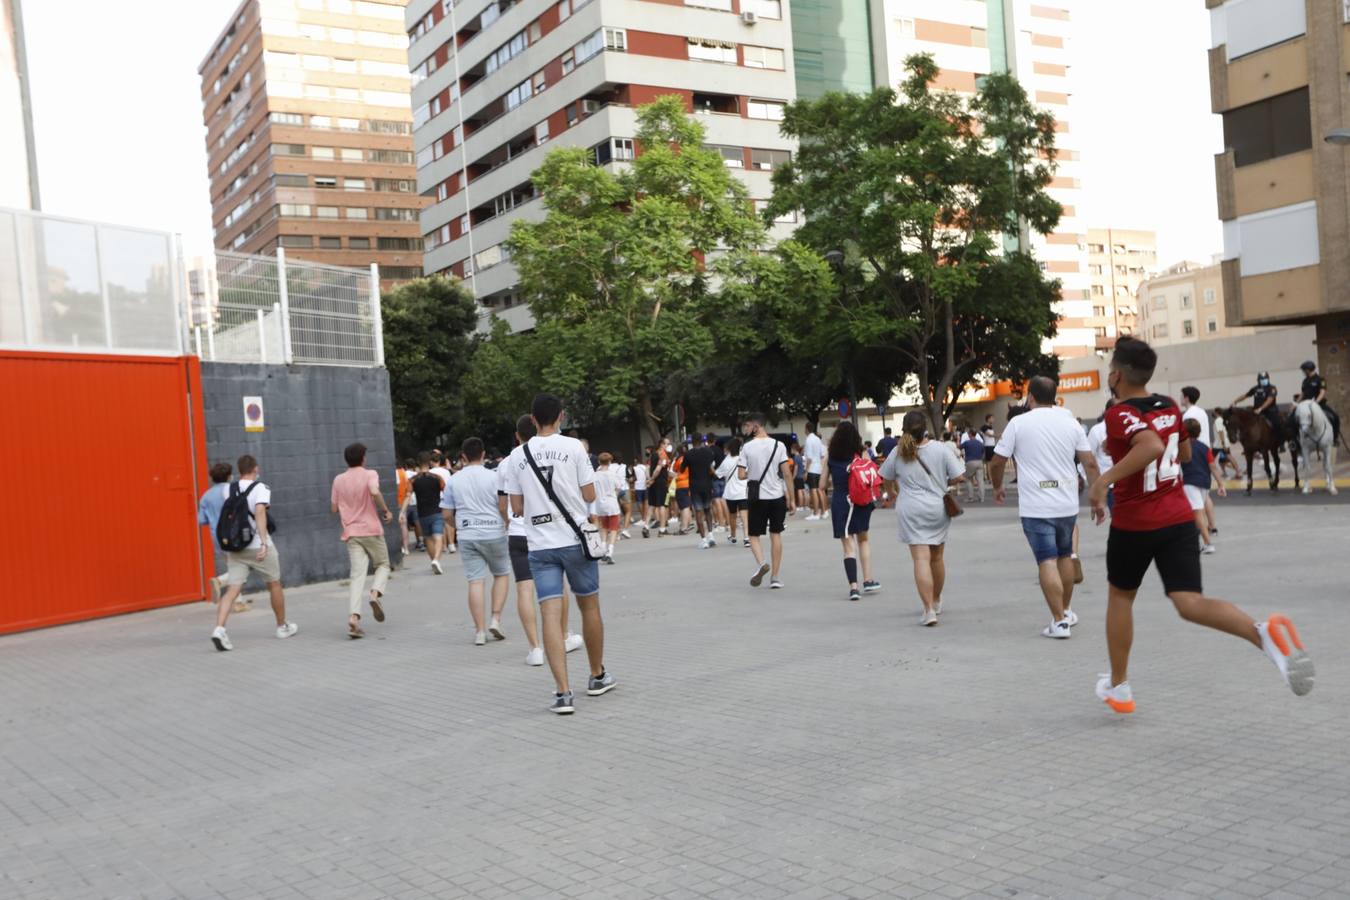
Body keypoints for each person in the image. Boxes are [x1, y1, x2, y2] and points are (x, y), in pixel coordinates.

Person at [1088, 337, 1314, 715]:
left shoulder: (1118, 413)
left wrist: (1103, 480)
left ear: (1116, 375)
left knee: (1121, 597)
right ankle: (1262, 634)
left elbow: (1152, 447)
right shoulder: (1169, 405)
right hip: (1178, 518)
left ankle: (1120, 685)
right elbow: (1184, 451)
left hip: (1135, 523)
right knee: (1190, 602)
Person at [503, 394, 615, 714]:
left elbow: (517, 507)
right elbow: (590, 494)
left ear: (533, 419)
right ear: (562, 416)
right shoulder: (574, 447)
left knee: (550, 614)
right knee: (589, 605)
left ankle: (563, 693)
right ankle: (597, 675)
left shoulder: (516, 456)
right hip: (575, 540)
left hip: (540, 545)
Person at [990, 376, 1100, 638]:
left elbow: (996, 462)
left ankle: (1059, 622)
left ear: (1030, 397)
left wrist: (997, 487)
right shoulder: (1070, 423)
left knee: (1046, 560)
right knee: (1065, 556)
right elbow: (1090, 464)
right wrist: (1097, 496)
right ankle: (1066, 611)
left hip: (1035, 506)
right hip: (1066, 503)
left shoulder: (1018, 423)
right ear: (1055, 397)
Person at [500, 415, 584, 666]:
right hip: (549, 531)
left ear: (517, 435)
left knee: (524, 588)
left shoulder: (507, 462)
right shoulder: (555, 451)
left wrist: (508, 524)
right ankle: (564, 635)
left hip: (517, 531)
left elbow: (504, 504)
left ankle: (535, 648)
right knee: (559, 586)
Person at [879, 412, 964, 626]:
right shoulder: (940, 449)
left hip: (910, 509)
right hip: (937, 509)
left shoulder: (898, 451)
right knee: (937, 558)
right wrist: (945, 481)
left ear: (904, 428)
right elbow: (958, 476)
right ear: (925, 427)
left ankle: (928, 611)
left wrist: (891, 493)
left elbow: (885, 477)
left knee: (920, 559)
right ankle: (936, 600)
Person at [210, 455, 299, 651]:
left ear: (239, 470)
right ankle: (281, 626)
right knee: (274, 583)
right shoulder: (261, 488)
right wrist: (264, 543)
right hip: (257, 545)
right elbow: (260, 512)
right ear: (255, 469)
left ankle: (219, 629)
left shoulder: (228, 489)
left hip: (236, 547)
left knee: (233, 589)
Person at [443, 437, 511, 646]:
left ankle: (480, 631)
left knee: (475, 581)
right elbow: (502, 506)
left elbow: (446, 514)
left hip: (467, 534)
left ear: (463, 456)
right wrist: (506, 522)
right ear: (483, 455)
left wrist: (459, 526)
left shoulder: (453, 480)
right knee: (501, 574)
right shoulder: (494, 477)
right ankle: (495, 619)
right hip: (494, 532)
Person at [330, 442, 393, 639]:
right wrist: (385, 510)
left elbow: (333, 508)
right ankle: (375, 594)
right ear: (363, 458)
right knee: (383, 564)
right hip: (371, 529)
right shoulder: (369, 474)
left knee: (357, 575)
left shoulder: (338, 480)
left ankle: (354, 618)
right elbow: (374, 492)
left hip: (351, 532)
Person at [821, 421, 878, 601]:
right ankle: (868, 580)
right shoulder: (862, 453)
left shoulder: (830, 455)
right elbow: (871, 476)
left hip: (840, 501)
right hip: (860, 501)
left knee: (848, 547)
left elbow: (822, 484)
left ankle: (853, 588)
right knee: (863, 540)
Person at [738, 413, 796, 589]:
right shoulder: (779, 445)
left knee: (753, 535)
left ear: (756, 426)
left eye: (748, 426)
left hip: (757, 498)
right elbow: (786, 473)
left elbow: (741, 475)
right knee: (776, 534)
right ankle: (775, 577)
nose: (746, 429)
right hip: (777, 496)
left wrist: (753, 473)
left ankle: (762, 563)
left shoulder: (747, 448)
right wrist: (792, 499)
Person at [1180, 419, 1228, 555]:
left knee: (1197, 513)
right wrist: (1220, 484)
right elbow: (1213, 466)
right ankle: (1195, 541)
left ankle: (1208, 544)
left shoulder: (1182, 446)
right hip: (1204, 483)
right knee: (1196, 512)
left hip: (1190, 482)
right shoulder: (1205, 448)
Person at [197, 461, 234, 606]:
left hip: (217, 538)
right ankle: (220, 581)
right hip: (234, 536)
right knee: (243, 567)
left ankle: (238, 602)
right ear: (229, 476)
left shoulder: (206, 496)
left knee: (233, 566)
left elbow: (202, 520)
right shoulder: (233, 490)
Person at [411, 452, 447, 574]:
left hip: (422, 513)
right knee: (438, 537)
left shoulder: (413, 480)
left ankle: (434, 561)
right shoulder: (437, 478)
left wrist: (402, 512)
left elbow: (407, 495)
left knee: (428, 539)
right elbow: (446, 491)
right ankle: (436, 560)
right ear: (430, 462)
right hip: (437, 510)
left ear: (418, 462)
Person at [684, 435, 718, 548]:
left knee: (698, 512)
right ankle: (711, 535)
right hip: (707, 485)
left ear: (692, 442)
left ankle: (703, 541)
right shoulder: (708, 452)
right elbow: (711, 466)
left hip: (695, 486)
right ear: (702, 441)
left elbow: (682, 469)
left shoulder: (688, 454)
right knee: (708, 510)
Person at [715, 436, 749, 546]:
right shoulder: (743, 459)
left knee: (732, 515)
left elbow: (718, 474)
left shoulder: (727, 460)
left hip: (731, 493)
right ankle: (746, 537)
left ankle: (733, 536)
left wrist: (711, 469)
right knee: (744, 515)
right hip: (743, 491)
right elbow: (749, 472)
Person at [1300, 359, 1340, 443]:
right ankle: (1295, 441)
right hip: (1305, 406)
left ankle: (1335, 438)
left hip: (1319, 404)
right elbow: (1302, 394)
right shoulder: (1305, 381)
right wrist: (1296, 403)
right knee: (1292, 418)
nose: (1304, 372)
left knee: (1335, 417)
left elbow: (1322, 392)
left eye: (1304, 370)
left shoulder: (1320, 380)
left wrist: (1315, 403)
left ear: (1308, 369)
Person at [1233, 371, 1282, 438]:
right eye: (1262, 379)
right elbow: (1246, 395)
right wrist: (1235, 401)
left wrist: (1261, 408)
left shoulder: (1272, 388)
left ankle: (1279, 440)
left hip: (1270, 411)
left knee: (1277, 423)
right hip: (1256, 411)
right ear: (1258, 380)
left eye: (1265, 379)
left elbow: (1270, 400)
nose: (1264, 380)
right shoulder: (1255, 388)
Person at [593, 452, 623, 562]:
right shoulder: (613, 474)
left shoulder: (595, 475)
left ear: (599, 462)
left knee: (604, 528)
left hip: (600, 504)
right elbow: (619, 488)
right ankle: (610, 551)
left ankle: (603, 548)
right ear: (610, 462)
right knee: (614, 528)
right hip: (612, 503)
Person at [429, 450, 457, 555]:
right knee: (449, 521)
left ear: (432, 462)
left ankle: (444, 545)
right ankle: (452, 544)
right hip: (447, 498)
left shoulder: (430, 472)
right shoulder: (446, 472)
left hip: (436, 499)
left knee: (441, 522)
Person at [802, 421, 826, 521]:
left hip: (811, 468)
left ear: (807, 429)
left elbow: (809, 458)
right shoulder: (817, 439)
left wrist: (806, 471)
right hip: (818, 468)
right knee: (819, 490)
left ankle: (815, 513)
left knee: (813, 490)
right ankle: (824, 511)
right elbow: (822, 454)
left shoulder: (808, 440)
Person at [647, 445, 671, 536]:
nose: (669, 446)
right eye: (667, 444)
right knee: (663, 505)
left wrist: (649, 479)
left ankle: (645, 526)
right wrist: (652, 479)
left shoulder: (652, 455)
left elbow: (648, 468)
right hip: (661, 483)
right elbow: (658, 469)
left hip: (654, 484)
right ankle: (662, 529)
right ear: (662, 445)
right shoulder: (662, 454)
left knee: (652, 505)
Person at [958, 427, 986, 502]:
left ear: (970, 434)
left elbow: (959, 447)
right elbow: (983, 453)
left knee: (967, 478)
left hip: (970, 462)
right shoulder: (980, 443)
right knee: (980, 480)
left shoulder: (967, 443)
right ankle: (982, 497)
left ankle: (971, 497)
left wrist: (958, 439)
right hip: (979, 461)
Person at [632, 451, 650, 535]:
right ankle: (645, 518)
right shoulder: (644, 467)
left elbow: (633, 478)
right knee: (646, 501)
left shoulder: (634, 468)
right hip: (645, 486)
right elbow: (647, 476)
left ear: (636, 460)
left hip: (638, 486)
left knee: (639, 502)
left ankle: (642, 518)